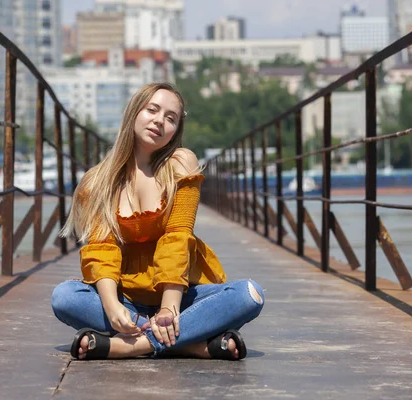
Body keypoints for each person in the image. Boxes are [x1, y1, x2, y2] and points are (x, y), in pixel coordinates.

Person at [51, 82, 264, 361]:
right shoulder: (97, 181)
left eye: (171, 118)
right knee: (65, 297)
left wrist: (168, 311)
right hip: (126, 297)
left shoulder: (180, 163)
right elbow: (101, 250)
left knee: (249, 295)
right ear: (134, 112)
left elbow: (177, 237)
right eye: (152, 110)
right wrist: (112, 305)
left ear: (176, 130)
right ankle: (189, 343)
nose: (159, 121)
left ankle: (131, 346)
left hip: (181, 296)